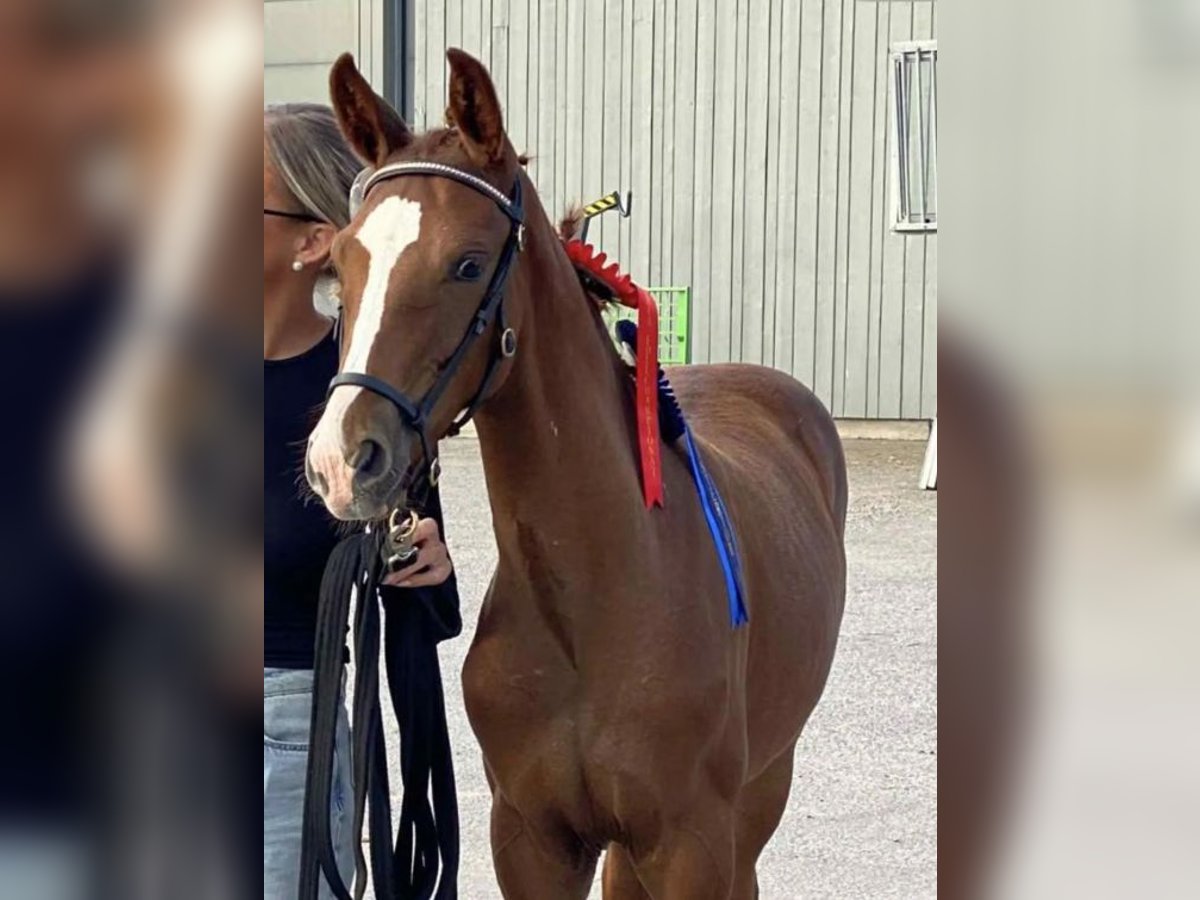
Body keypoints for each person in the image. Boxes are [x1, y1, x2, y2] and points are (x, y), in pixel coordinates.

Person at [263, 103, 458, 899]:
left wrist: (426, 563)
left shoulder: (358, 408)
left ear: (314, 244)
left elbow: (425, 612)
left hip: (283, 734)